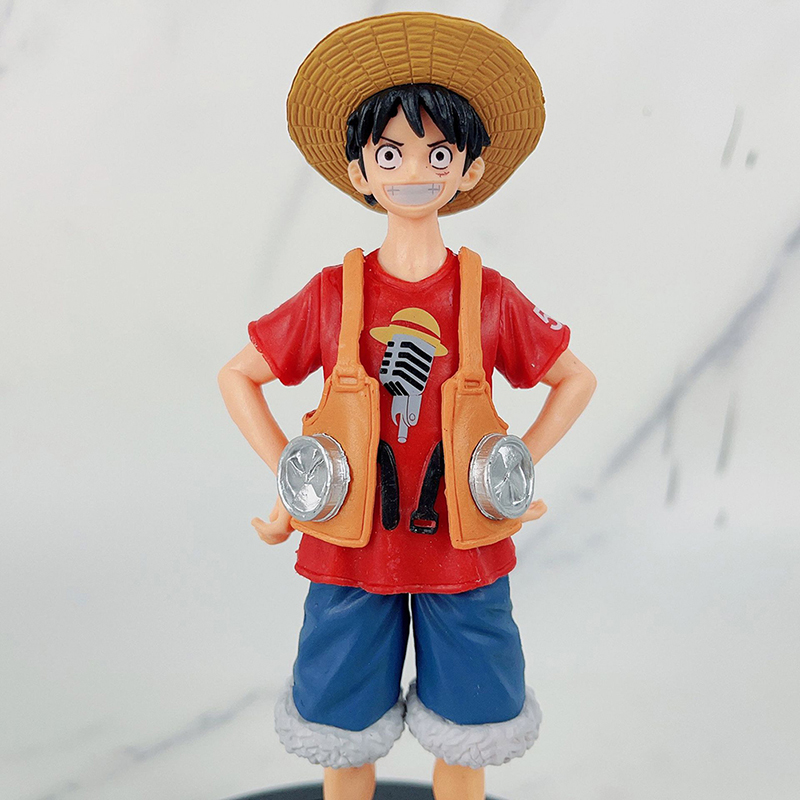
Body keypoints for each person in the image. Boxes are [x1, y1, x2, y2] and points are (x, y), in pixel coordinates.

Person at [218, 13, 596, 800]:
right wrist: (296, 479)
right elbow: (238, 375)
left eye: (438, 153)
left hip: (463, 548)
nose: (414, 171)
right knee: (340, 732)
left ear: (470, 169)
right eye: (390, 153)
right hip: (352, 548)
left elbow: (575, 379)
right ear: (360, 170)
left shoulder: (489, 297)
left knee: (473, 728)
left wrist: (512, 470)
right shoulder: (332, 296)